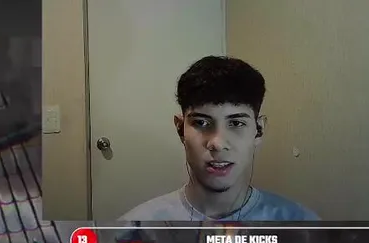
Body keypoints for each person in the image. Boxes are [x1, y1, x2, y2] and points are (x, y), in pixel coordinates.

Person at [119, 56, 319, 223]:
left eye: (236, 123)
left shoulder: (303, 229)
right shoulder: (134, 229)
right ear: (180, 129)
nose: (217, 143)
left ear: (258, 130)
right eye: (201, 123)